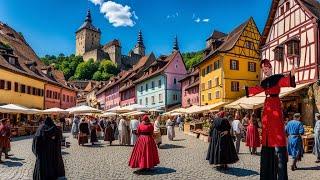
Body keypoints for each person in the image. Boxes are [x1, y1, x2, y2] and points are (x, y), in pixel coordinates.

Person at [245, 59, 296, 180]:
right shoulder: (264, 82)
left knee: (276, 128)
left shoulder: (277, 78)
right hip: (267, 106)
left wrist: (292, 76)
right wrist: (247, 90)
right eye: (263, 69)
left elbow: (284, 82)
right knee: (266, 127)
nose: (264, 70)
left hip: (275, 105)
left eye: (266, 68)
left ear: (270, 67)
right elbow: (258, 89)